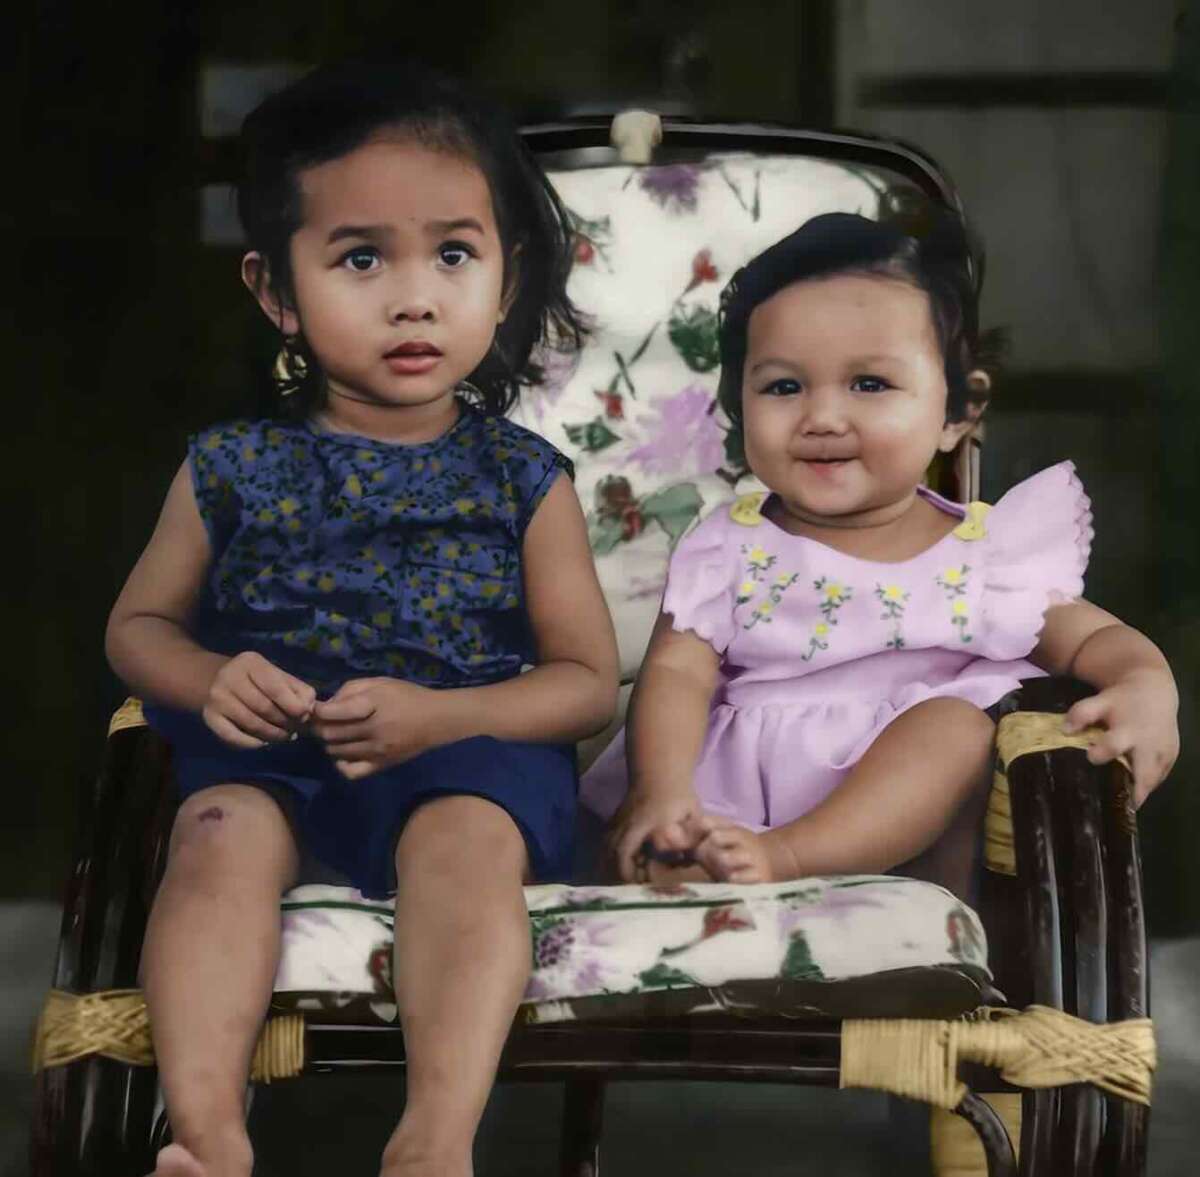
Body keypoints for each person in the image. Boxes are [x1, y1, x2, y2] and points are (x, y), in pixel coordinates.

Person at [106, 63, 618, 1177]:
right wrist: (206, 679)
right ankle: (208, 1131)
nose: (415, 296)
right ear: (277, 293)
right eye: (359, 258)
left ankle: (434, 1139)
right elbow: (138, 626)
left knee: (467, 846)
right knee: (213, 838)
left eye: (452, 253)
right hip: (279, 748)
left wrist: (444, 718)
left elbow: (585, 678)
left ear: (504, 271)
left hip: (468, 749)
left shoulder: (524, 478)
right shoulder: (232, 462)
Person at [581, 210, 1178, 894]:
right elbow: (678, 675)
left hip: (903, 841)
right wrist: (661, 793)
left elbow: (1095, 637)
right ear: (740, 407)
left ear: (959, 412)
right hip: (728, 804)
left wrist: (1147, 686)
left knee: (956, 728)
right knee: (648, 821)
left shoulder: (983, 559)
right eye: (783, 386)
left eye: (869, 384)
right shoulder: (729, 546)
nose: (823, 416)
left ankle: (789, 859)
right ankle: (699, 858)